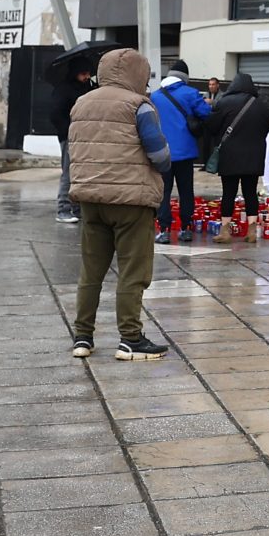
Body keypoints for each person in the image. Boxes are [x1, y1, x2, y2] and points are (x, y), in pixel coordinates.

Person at [66, 47, 171, 361]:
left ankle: (83, 337)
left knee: (91, 272)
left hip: (90, 199)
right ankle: (130, 338)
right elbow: (159, 155)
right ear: (137, 74)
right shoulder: (139, 105)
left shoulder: (82, 103)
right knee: (132, 272)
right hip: (131, 202)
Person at [149, 61, 211, 243]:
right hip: (185, 153)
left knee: (164, 192)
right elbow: (206, 113)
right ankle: (186, 228)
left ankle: (164, 230)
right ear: (184, 78)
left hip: (162, 152)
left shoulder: (155, 96)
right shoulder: (190, 93)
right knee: (185, 191)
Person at [204, 70, 268, 220]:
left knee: (228, 193)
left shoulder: (224, 102)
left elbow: (212, 126)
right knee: (250, 193)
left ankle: (225, 227)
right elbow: (267, 128)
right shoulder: (260, 105)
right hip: (253, 157)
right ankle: (252, 228)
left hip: (229, 156)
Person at [45, 52, 99, 226]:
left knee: (83, 173)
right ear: (75, 73)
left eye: (88, 73)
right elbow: (55, 114)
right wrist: (69, 131)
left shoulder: (90, 88)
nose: (87, 76)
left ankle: (77, 208)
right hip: (71, 137)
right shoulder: (63, 90)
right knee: (69, 172)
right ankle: (63, 209)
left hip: (87, 136)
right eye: (83, 73)